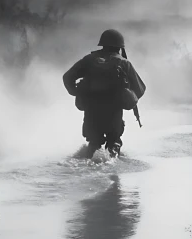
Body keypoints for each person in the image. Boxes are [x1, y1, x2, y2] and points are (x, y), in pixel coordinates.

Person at [63, 29, 146, 157]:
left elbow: (67, 77)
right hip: (114, 113)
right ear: (120, 47)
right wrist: (126, 96)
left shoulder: (89, 60)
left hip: (91, 111)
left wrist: (78, 92)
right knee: (113, 146)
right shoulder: (124, 63)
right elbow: (140, 89)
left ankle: (88, 173)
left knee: (92, 146)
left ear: (102, 44)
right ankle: (111, 170)